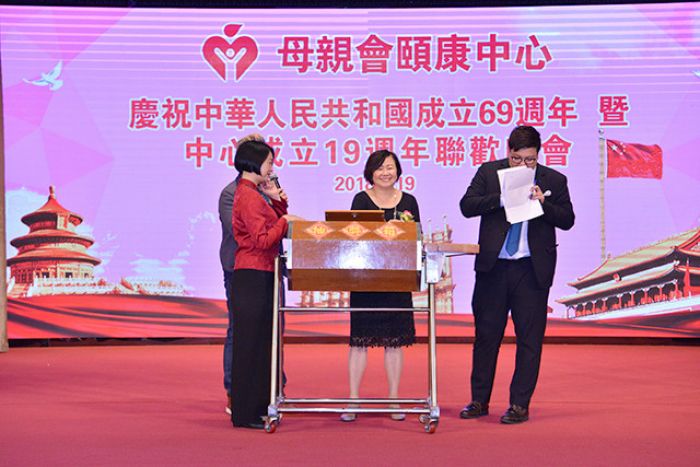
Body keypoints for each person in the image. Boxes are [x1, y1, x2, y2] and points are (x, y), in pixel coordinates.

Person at [458, 125, 575, 424]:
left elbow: (567, 220)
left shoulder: (554, 180)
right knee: (486, 337)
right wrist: (501, 198)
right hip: (494, 268)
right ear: (508, 151)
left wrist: (544, 203)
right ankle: (479, 400)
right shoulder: (489, 172)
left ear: (538, 155)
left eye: (530, 160)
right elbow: (466, 206)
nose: (523, 165)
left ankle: (519, 404)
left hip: (531, 270)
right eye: (516, 159)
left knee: (529, 340)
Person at [341, 149, 421, 422]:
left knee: (394, 342)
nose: (386, 172)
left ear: (398, 170)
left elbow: (417, 237)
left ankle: (394, 399)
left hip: (397, 279)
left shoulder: (409, 201)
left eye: (390, 167)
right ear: (370, 173)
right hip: (365, 279)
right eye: (380, 168)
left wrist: (402, 231)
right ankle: (353, 400)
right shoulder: (361, 199)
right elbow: (352, 235)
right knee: (358, 341)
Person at [230, 140, 300, 429]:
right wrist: (285, 221)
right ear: (254, 163)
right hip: (252, 274)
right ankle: (245, 413)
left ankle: (259, 406)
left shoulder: (256, 193)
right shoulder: (247, 195)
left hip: (263, 272)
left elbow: (271, 224)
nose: (272, 168)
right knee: (250, 344)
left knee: (262, 343)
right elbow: (262, 240)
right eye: (269, 162)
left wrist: (278, 202)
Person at [219, 134, 264, 416]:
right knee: (239, 329)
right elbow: (242, 232)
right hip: (240, 270)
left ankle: (271, 385)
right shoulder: (230, 193)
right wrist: (282, 224)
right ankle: (235, 390)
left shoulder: (267, 189)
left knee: (271, 329)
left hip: (267, 268)